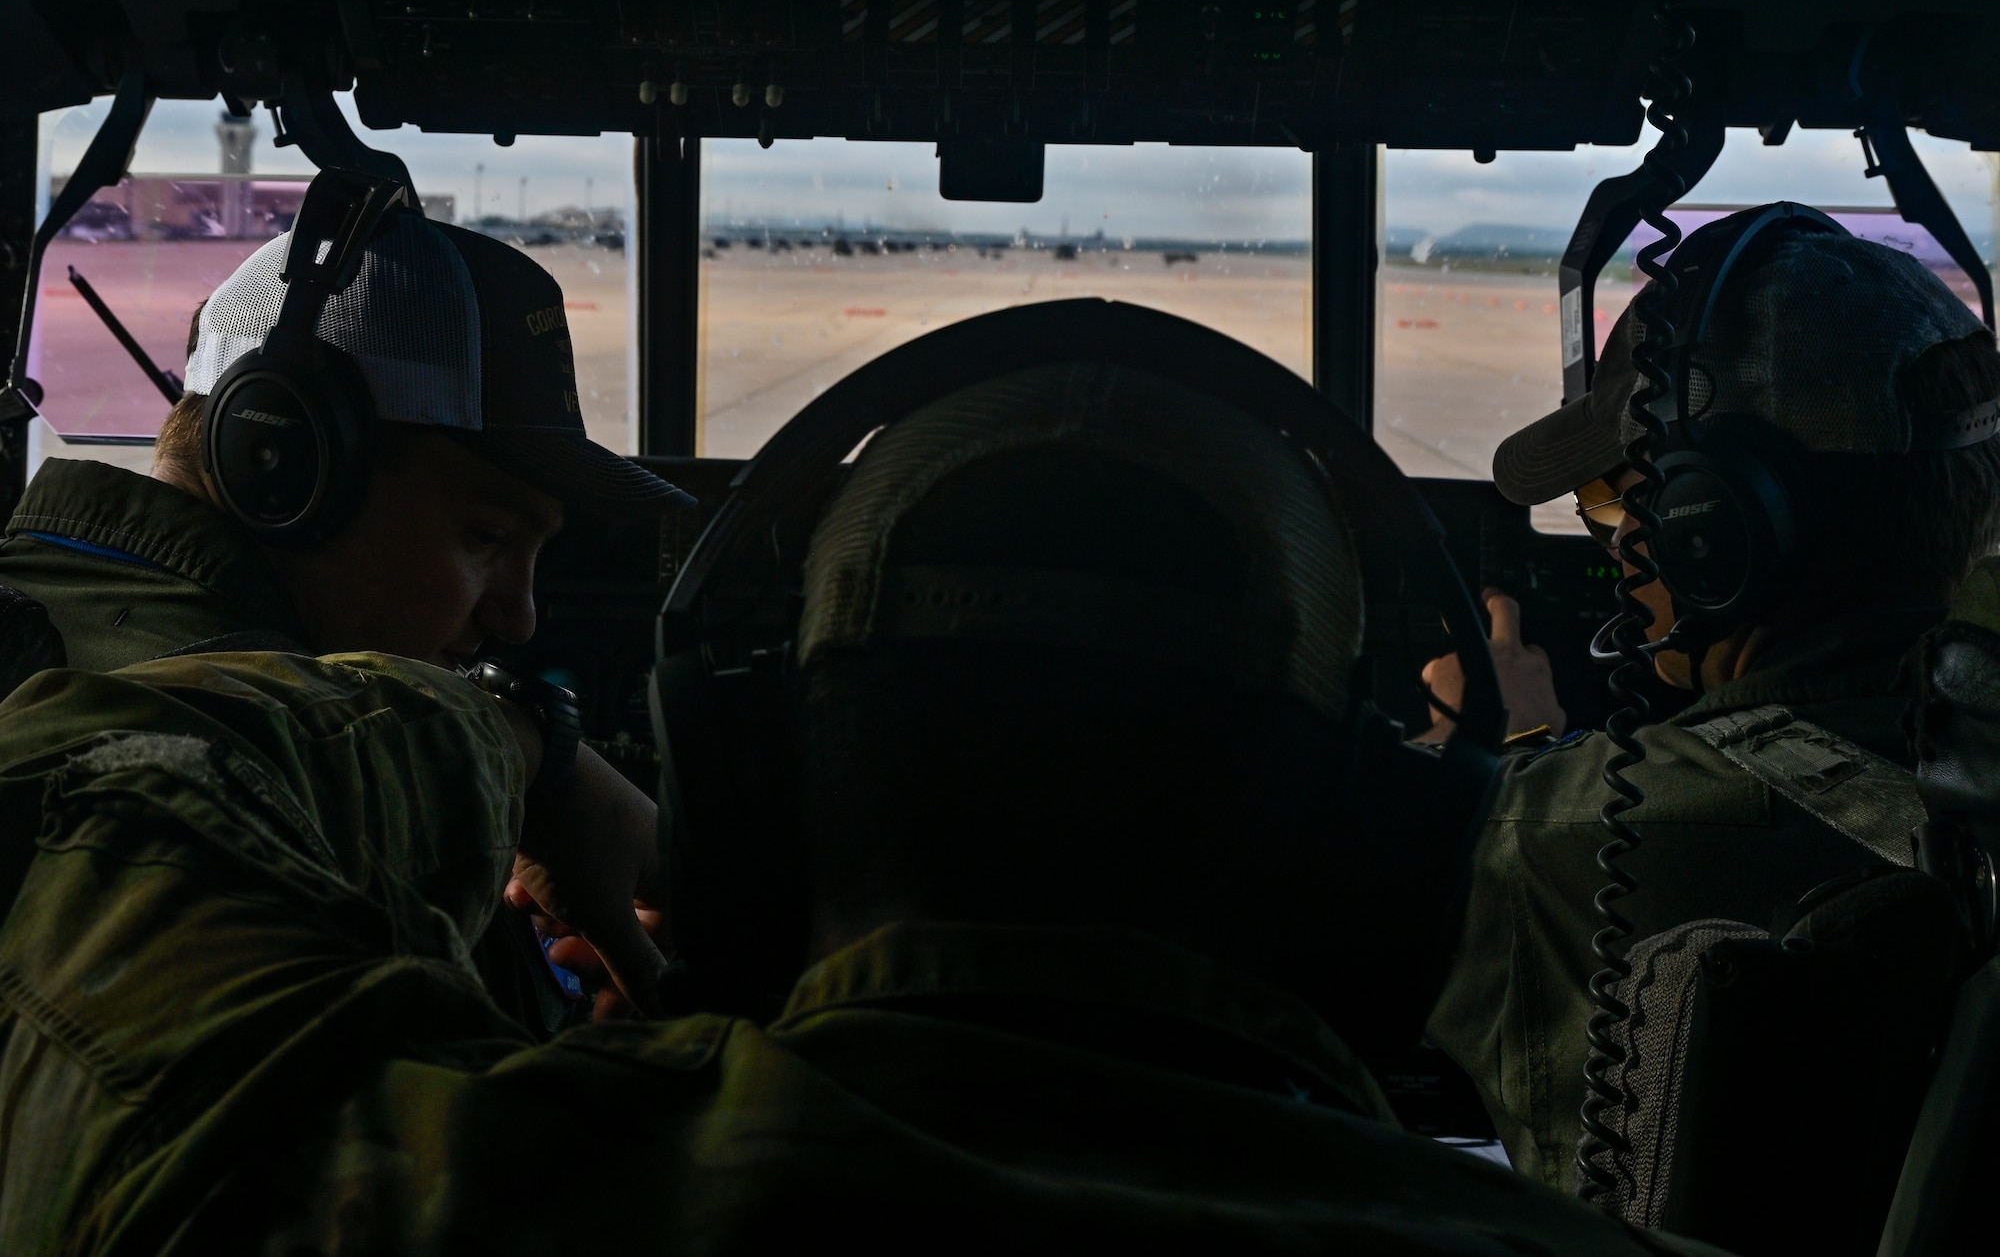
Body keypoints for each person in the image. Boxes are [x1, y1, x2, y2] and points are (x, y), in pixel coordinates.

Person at [0, 361, 1720, 1254]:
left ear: (741, 817)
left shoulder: (385, 1191)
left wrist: (505, 743)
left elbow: (101, 814)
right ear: (1388, 867)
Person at [0, 182, 693, 1025]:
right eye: (485, 537)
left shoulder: (36, 600)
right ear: (283, 465)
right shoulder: (284, 825)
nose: (520, 616)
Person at [1420, 215, 2000, 1188]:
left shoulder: (1546, 837)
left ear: (1712, 525)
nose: (1615, 547)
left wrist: (1491, 750)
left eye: (1616, 499)